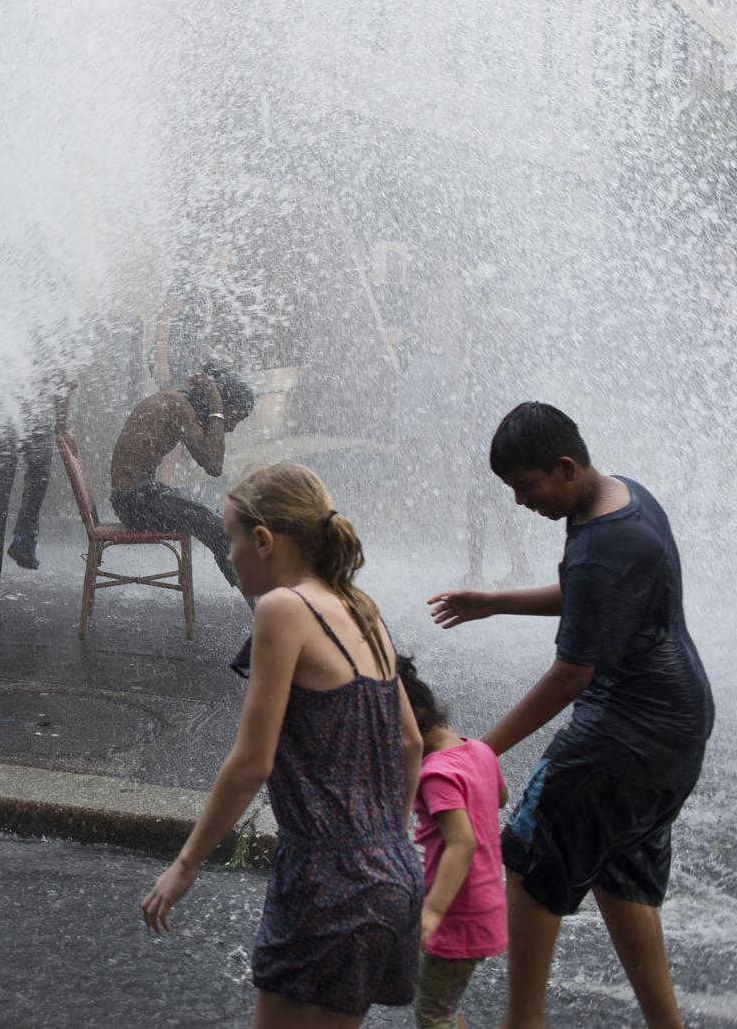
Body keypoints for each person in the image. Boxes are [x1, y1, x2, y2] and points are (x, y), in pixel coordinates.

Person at [428, 402, 711, 1029]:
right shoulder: (623, 498)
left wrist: (481, 750)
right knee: (619, 873)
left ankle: (521, 1023)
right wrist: (496, 602)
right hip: (677, 730)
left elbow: (571, 675)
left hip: (622, 734)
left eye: (526, 486)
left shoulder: (599, 542)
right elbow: (595, 594)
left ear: (563, 467)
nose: (521, 502)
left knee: (530, 861)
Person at [141, 463, 422, 1025]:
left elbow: (251, 762)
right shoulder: (363, 611)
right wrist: (383, 845)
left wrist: (187, 863)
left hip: (327, 880)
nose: (231, 553)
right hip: (391, 869)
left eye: (232, 538)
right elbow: (412, 744)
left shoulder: (283, 609)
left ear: (264, 540)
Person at [395, 654, 507, 1029]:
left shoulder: (436, 775)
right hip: (486, 903)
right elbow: (501, 797)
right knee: (444, 1002)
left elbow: (463, 844)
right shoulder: (478, 750)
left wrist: (433, 913)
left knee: (431, 1014)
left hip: (459, 912)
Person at [108, 364, 254, 589]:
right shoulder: (180, 406)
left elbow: (212, 461)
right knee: (216, 526)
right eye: (231, 418)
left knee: (215, 521)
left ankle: (255, 591)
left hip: (137, 498)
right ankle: (259, 604)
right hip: (134, 503)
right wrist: (216, 403)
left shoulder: (180, 402)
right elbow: (213, 465)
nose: (231, 427)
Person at [0, 375, 73, 623]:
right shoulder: (51, 342)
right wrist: (61, 427)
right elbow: (65, 381)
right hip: (21, 415)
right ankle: (25, 535)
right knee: (39, 467)